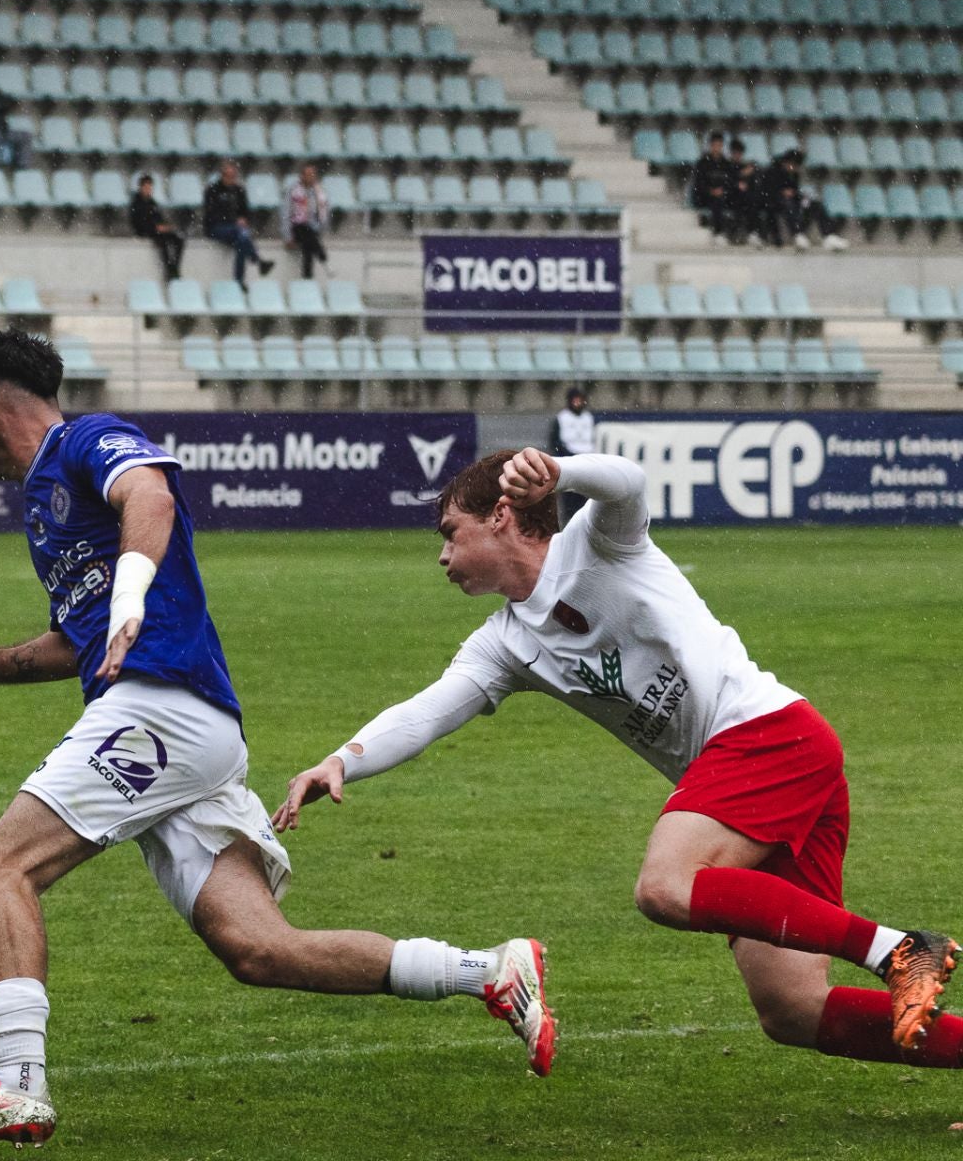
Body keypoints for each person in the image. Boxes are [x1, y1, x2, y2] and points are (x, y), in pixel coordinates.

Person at [0, 329, 553, 1150]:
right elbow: (68, 644)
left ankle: (18, 1085)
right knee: (259, 949)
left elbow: (152, 498)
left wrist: (131, 604)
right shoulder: (43, 502)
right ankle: (490, 970)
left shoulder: (85, 442)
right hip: (188, 730)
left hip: (161, 708)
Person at [275, 447, 960, 1074]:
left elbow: (628, 480)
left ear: (502, 515)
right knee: (793, 1010)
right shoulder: (504, 644)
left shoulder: (600, 544)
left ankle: (899, 949)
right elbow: (426, 711)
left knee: (666, 885)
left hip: (767, 734)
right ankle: (910, 977)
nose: (442, 556)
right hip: (755, 780)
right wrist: (343, 760)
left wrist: (562, 472)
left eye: (451, 532)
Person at [757, 149, 849, 252]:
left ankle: (828, 235)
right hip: (774, 203)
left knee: (814, 204)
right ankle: (797, 235)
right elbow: (766, 193)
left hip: (792, 201)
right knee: (788, 204)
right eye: (793, 165)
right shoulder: (771, 171)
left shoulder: (793, 174)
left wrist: (799, 196)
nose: (795, 168)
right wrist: (781, 193)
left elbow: (794, 191)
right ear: (786, 162)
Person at [202, 160, 272, 285]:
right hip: (215, 228)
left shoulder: (239, 191)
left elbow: (245, 212)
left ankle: (239, 281)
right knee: (241, 234)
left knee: (242, 242)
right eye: (228, 176)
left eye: (233, 176)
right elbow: (211, 214)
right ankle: (258, 261)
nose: (231, 179)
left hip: (234, 230)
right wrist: (234, 221)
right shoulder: (212, 190)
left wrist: (243, 219)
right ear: (222, 175)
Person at [547, 388, 595, 523]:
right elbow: (555, 441)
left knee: (585, 496)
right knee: (570, 497)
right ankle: (569, 522)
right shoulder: (562, 417)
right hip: (570, 459)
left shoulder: (588, 417)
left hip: (586, 460)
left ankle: (584, 522)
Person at [127, 173, 184, 281]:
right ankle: (169, 269)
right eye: (146, 187)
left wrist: (165, 226)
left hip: (156, 229)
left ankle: (174, 267)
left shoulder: (152, 202)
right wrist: (154, 227)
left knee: (178, 238)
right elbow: (138, 222)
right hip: (145, 230)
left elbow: (159, 218)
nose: (148, 189)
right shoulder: (136, 203)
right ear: (141, 187)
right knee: (162, 240)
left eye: (150, 187)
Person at [282, 162, 329, 278]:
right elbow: (286, 214)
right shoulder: (293, 191)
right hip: (297, 228)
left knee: (308, 244)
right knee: (306, 231)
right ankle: (320, 253)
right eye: (307, 174)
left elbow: (324, 214)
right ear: (301, 176)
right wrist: (288, 236)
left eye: (312, 174)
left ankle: (307, 278)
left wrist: (321, 230)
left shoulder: (319, 192)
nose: (310, 177)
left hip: (313, 230)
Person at [690, 132, 736, 245]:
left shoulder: (727, 164)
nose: (717, 148)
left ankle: (746, 233)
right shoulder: (702, 163)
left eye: (719, 145)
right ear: (710, 145)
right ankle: (718, 232)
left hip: (724, 196)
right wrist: (710, 191)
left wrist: (723, 191)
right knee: (717, 201)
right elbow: (698, 184)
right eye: (715, 145)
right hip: (705, 197)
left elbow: (731, 182)